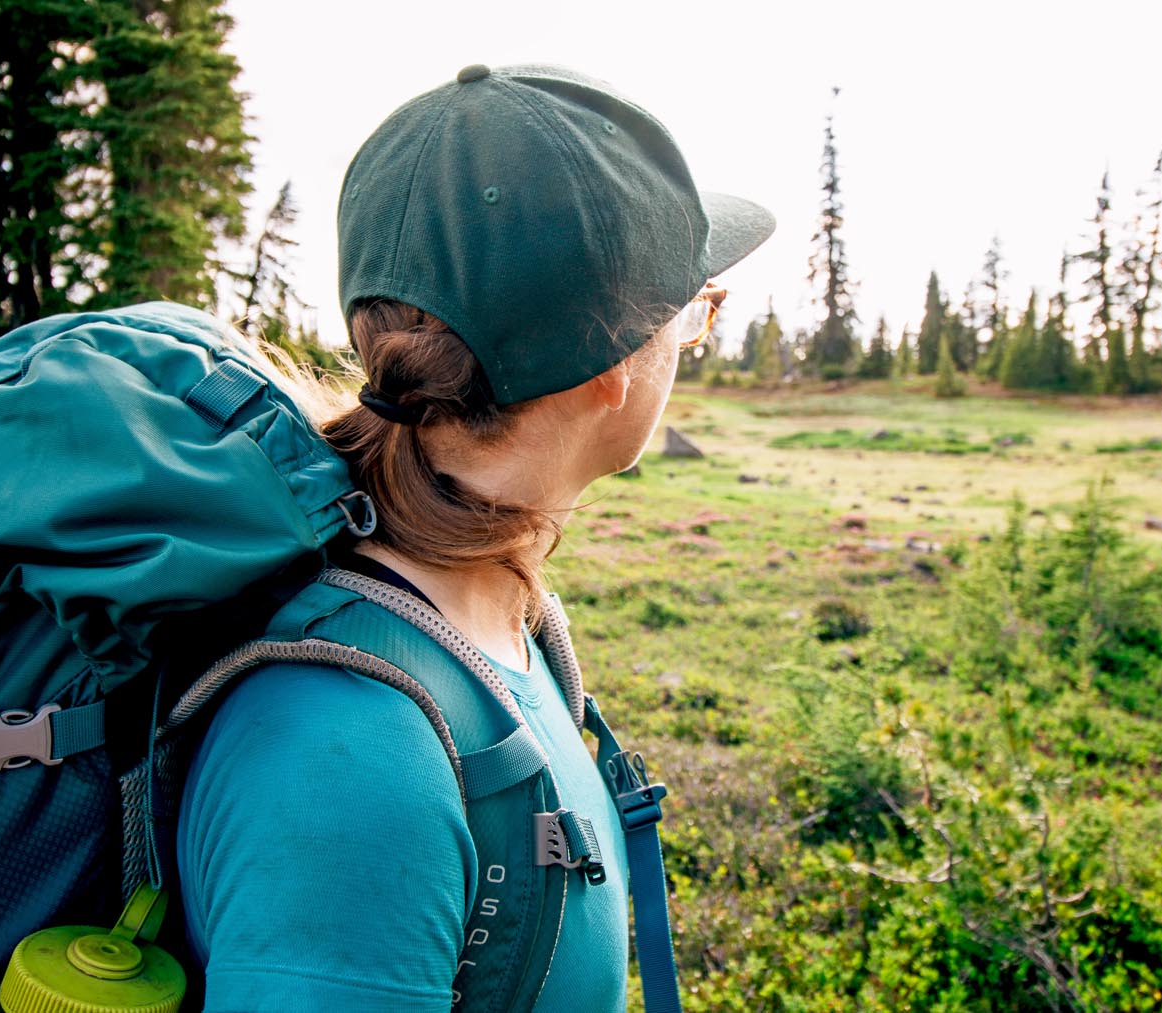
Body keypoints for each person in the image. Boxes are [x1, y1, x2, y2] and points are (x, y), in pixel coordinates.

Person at [175, 63, 775, 1011]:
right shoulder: (353, 759)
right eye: (692, 312)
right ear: (609, 366)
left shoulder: (486, 612)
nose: (691, 339)